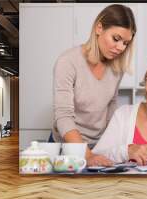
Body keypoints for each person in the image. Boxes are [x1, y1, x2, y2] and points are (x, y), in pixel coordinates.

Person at [52, 4, 136, 166]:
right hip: (69, 145)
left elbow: (111, 108)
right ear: (99, 28)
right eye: (116, 39)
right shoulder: (68, 62)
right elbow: (63, 116)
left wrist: (115, 146)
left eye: (125, 43)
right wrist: (87, 155)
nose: (120, 48)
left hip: (100, 144)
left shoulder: (116, 68)